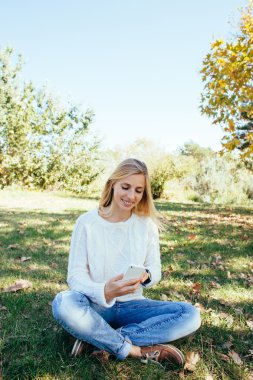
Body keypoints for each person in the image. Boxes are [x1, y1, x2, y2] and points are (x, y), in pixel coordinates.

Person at [52, 158, 201, 366]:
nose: (131, 196)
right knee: (63, 302)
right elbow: (75, 277)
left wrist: (147, 275)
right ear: (112, 184)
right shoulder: (86, 223)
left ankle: (96, 340)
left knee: (190, 315)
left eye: (139, 190)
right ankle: (135, 350)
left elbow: (155, 268)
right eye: (126, 187)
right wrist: (105, 291)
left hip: (134, 305)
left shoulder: (146, 225)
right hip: (97, 306)